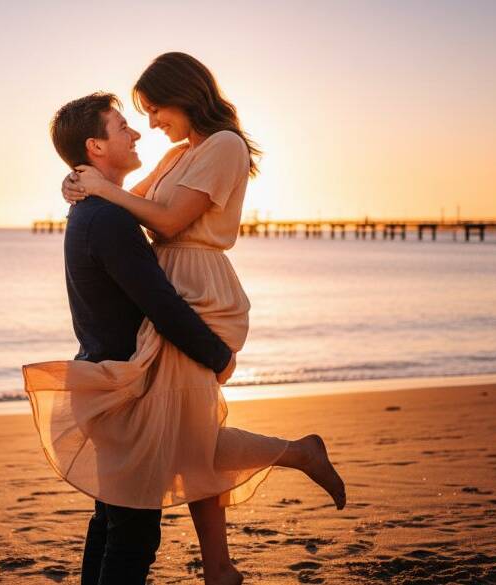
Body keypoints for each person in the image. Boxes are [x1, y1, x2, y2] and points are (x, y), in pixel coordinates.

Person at [26, 53, 346, 585]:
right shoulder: (179, 154)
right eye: (139, 116)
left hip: (199, 291)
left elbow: (169, 219)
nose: (150, 124)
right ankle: (223, 561)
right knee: (188, 434)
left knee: (183, 435)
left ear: (184, 95)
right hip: (173, 288)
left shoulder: (225, 145)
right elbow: (127, 202)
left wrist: (100, 188)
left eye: (155, 110)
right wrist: (79, 183)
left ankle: (287, 468)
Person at [25, 91, 237, 584]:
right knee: (133, 533)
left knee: (112, 522)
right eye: (123, 127)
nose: (137, 132)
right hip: (122, 387)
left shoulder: (97, 210)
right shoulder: (109, 219)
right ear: (96, 147)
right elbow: (160, 302)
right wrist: (217, 355)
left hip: (105, 379)